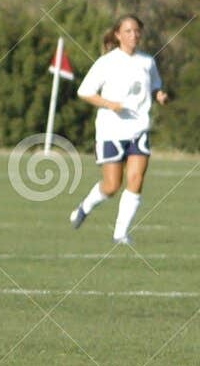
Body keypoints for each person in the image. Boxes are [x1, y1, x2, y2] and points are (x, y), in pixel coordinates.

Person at [68, 14, 168, 245]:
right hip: (111, 130)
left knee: (135, 179)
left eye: (137, 31)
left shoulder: (147, 61)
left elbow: (155, 86)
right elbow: (84, 92)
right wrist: (110, 104)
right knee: (112, 186)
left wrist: (160, 95)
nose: (134, 35)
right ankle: (84, 207)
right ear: (117, 34)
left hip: (139, 129)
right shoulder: (107, 62)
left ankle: (120, 234)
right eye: (128, 31)